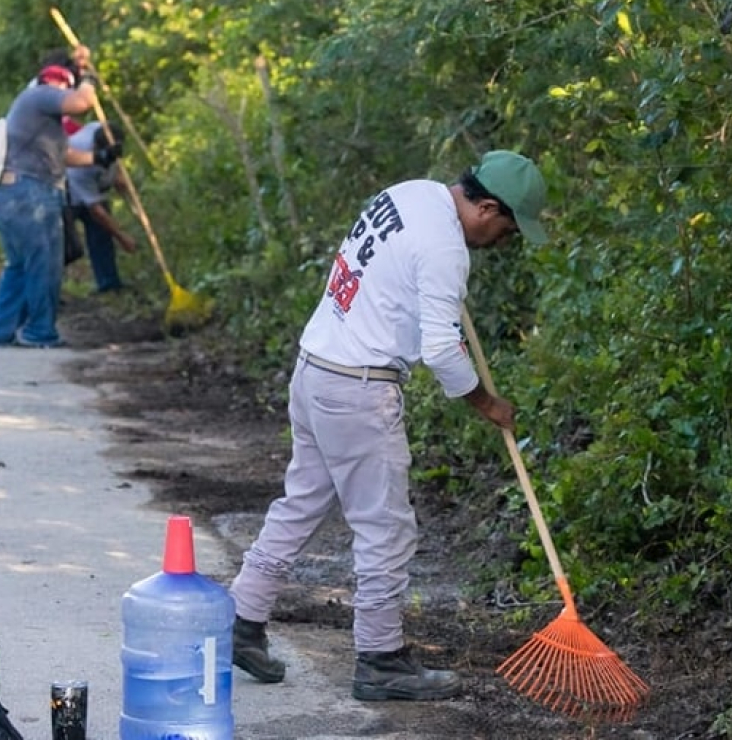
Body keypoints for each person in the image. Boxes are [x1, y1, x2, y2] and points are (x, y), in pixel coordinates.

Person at [228, 150, 549, 702]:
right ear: (487, 207)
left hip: (315, 369)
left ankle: (240, 619)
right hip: (358, 388)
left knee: (301, 501)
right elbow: (443, 351)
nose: (503, 241)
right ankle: (380, 660)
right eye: (507, 229)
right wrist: (486, 403)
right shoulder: (446, 247)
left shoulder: (410, 192)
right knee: (385, 528)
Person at [0, 63, 121, 348]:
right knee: (45, 263)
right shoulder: (40, 95)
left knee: (21, 265)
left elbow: (64, 155)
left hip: (8, 194)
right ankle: (39, 331)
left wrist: (100, 158)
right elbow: (82, 102)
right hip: (27, 193)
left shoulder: (38, 117)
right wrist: (89, 79)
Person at [66, 123, 137, 292]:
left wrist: (119, 178)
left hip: (95, 185)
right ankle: (47, 291)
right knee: (67, 246)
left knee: (102, 236)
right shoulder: (81, 161)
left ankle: (109, 283)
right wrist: (122, 237)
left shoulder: (106, 130)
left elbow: (116, 164)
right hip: (66, 192)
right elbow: (97, 210)